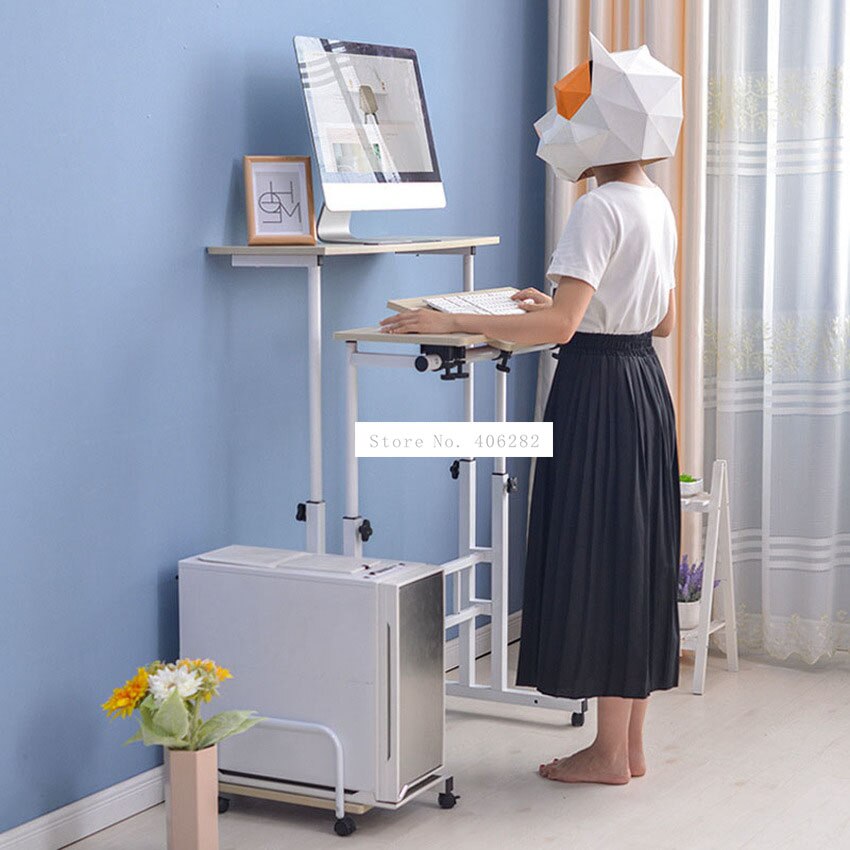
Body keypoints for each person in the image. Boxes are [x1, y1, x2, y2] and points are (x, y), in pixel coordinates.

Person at [379, 36, 682, 786]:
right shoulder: (655, 205)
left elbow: (560, 329)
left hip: (596, 391)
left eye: (574, 106)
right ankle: (629, 746)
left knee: (603, 555)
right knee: (634, 553)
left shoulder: (597, 209)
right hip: (643, 382)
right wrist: (558, 306)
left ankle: (608, 754)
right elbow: (661, 321)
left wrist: (452, 322)